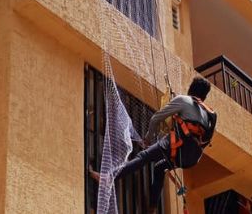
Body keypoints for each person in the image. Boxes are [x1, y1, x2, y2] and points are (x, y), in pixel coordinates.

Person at [91, 76, 217, 212]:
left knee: (143, 156)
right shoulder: (209, 115)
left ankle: (108, 178)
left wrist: (148, 139)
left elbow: (156, 118)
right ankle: (153, 207)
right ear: (204, 96)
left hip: (176, 146)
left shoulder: (184, 100)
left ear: (191, 89)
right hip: (191, 158)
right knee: (160, 167)